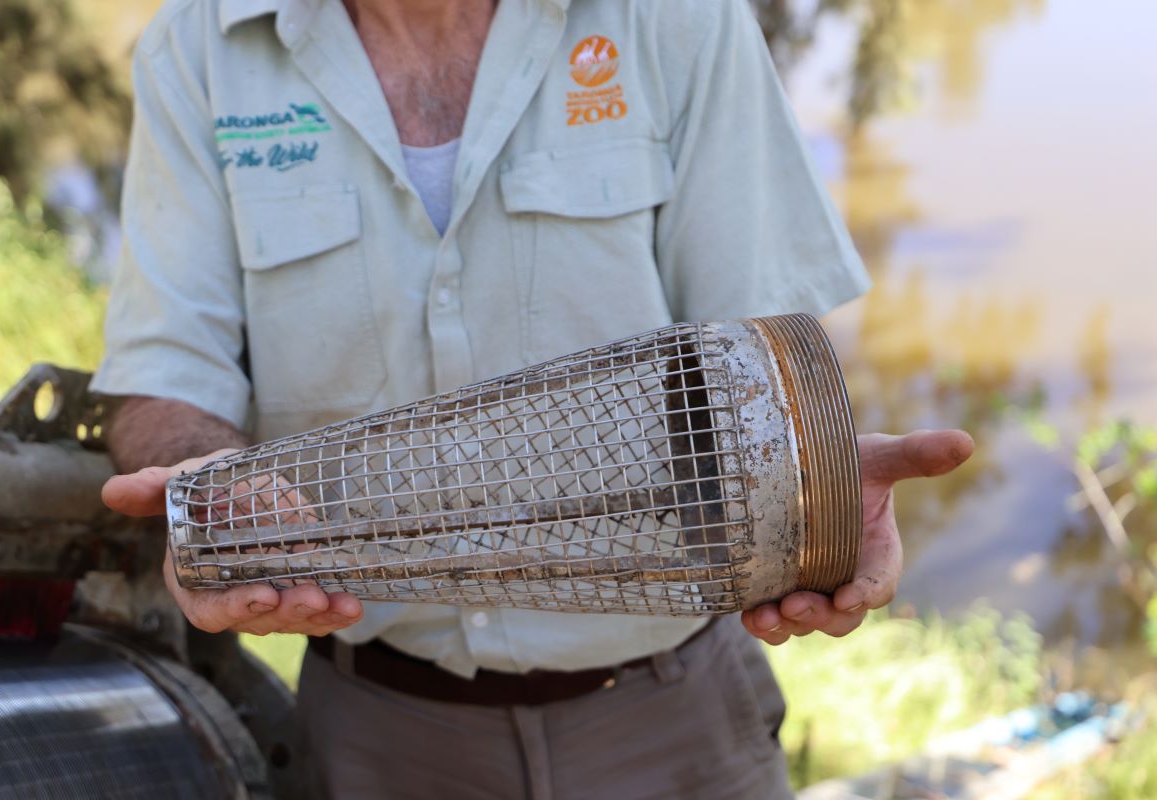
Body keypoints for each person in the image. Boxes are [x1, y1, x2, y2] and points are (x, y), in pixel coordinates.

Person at [96, 0, 974, 796]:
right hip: (378, 737)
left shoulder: (676, 19)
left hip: (676, 725)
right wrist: (210, 494)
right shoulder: (198, 46)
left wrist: (816, 484)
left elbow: (761, 362)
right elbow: (164, 377)